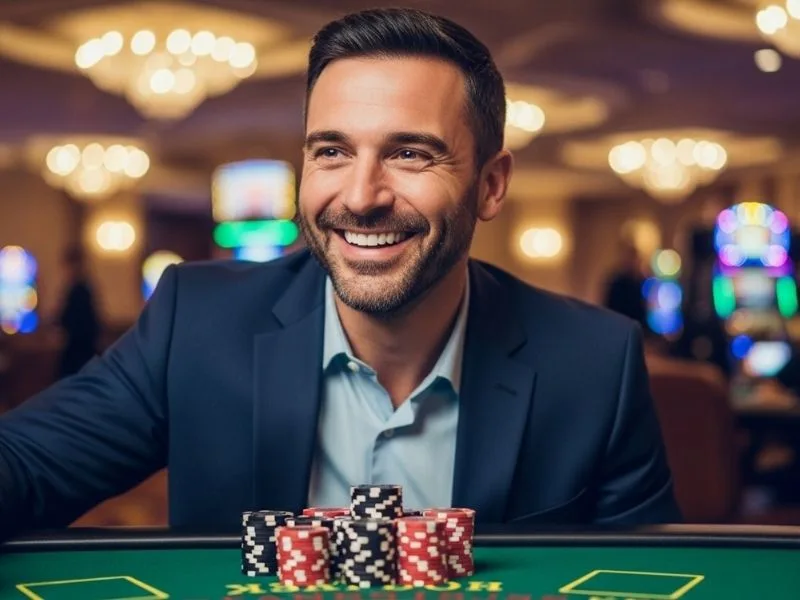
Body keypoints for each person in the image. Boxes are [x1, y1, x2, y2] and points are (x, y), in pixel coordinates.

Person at [0, 8, 680, 538]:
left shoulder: (595, 364)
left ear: (491, 185)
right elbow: (24, 467)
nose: (359, 196)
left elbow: (652, 581)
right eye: (331, 151)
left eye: (410, 154)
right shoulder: (196, 322)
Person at [55, 246, 101, 379]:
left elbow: (72, 319)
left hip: (79, 349)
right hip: (83, 348)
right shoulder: (83, 287)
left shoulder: (79, 290)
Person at [602, 240, 647, 328]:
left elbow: (642, 309)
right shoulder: (616, 281)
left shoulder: (639, 281)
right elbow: (609, 307)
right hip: (617, 325)